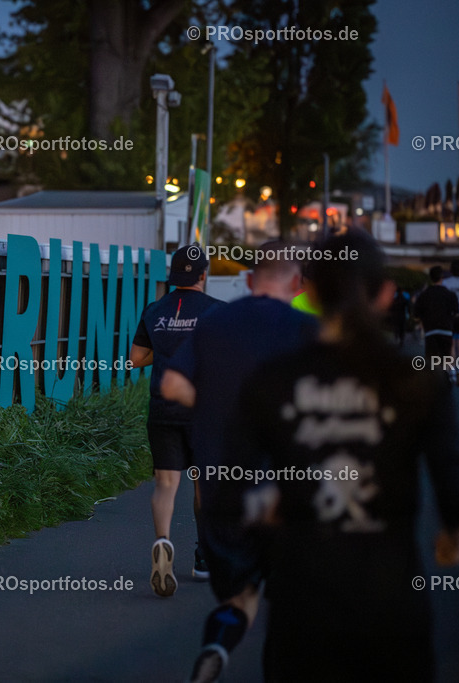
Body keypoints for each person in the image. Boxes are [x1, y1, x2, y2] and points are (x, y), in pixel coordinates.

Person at [236, 230, 459, 682]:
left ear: (310, 291)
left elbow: (231, 484)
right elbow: (453, 483)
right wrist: (454, 535)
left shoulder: (273, 378)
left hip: (301, 599)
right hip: (390, 598)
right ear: (385, 294)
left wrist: (248, 563)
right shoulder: (416, 381)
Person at [160, 243, 317, 682]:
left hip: (223, 487)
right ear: (298, 284)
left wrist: (218, 407)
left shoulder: (214, 325)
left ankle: (217, 645)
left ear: (248, 281)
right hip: (288, 490)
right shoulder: (311, 331)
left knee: (239, 599)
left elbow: (171, 383)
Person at [130, 244, 223, 597]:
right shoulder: (218, 312)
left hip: (163, 408)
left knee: (166, 485)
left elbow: (136, 359)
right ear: (203, 274)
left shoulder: (155, 310)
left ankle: (163, 542)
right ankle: (203, 559)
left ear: (173, 274)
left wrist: (168, 353)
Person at [412, 266, 458, 385]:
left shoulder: (424, 295)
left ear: (430, 278)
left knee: (432, 357)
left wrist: (423, 319)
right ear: (442, 277)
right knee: (446, 354)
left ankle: (434, 379)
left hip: (430, 330)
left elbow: (416, 314)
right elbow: (456, 313)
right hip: (446, 329)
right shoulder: (450, 294)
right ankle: (449, 373)